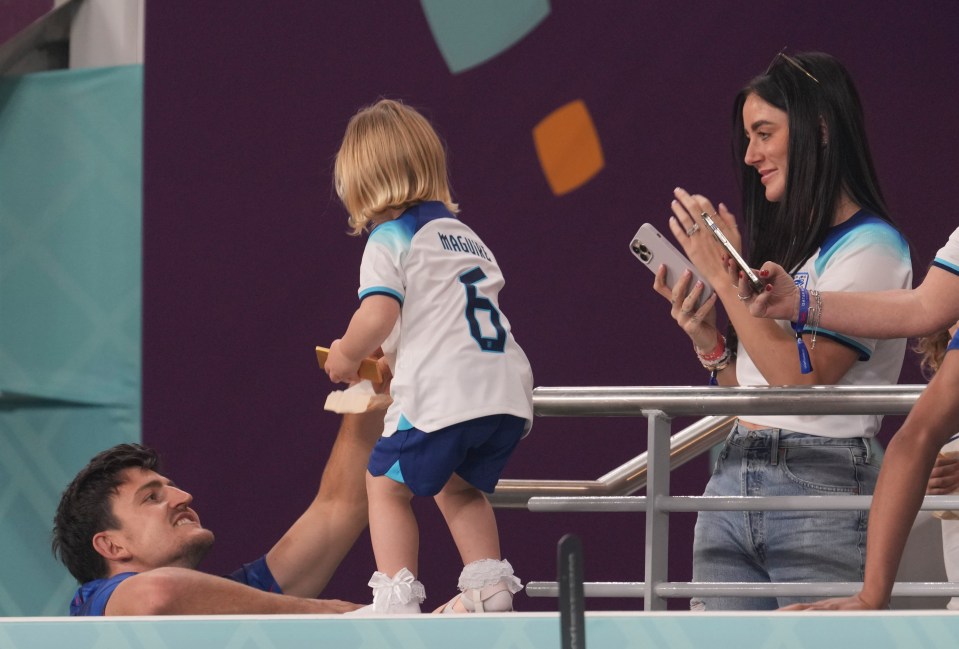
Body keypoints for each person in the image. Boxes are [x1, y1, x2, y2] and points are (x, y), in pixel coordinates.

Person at [652, 51, 912, 610]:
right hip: (734, 473)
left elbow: (803, 378)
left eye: (764, 133)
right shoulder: (796, 258)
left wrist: (723, 274)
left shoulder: (874, 246)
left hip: (822, 488)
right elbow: (760, 395)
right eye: (748, 137)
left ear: (819, 130)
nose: (750, 155)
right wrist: (712, 343)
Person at [324, 98, 533, 614]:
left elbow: (377, 314)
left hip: (445, 394)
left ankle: (395, 597)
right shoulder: (465, 237)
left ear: (360, 181)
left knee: (384, 484)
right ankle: (489, 587)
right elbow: (441, 318)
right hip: (503, 391)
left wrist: (346, 357)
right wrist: (396, 359)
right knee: (459, 486)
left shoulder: (388, 237)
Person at [53, 409, 384, 615]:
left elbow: (340, 506)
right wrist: (312, 611)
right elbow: (157, 594)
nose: (184, 496)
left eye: (170, 487)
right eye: (151, 498)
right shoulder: (96, 604)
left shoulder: (236, 600)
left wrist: (367, 392)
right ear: (112, 546)